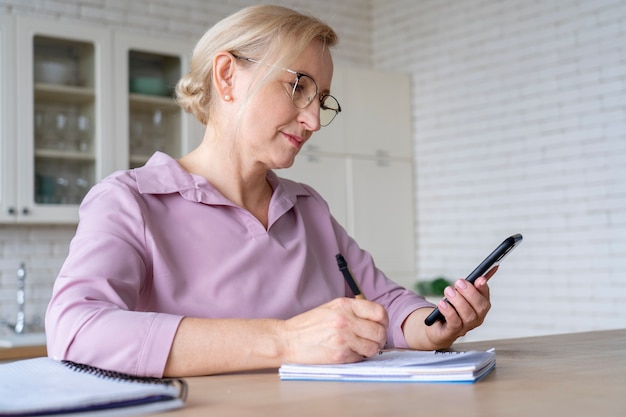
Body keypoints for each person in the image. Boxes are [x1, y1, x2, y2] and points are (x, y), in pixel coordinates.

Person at [45, 4, 491, 378]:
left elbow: (383, 303)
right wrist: (284, 340)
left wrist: (430, 327)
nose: (313, 120)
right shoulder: (130, 202)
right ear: (227, 77)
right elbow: (76, 328)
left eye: (322, 100)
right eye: (299, 88)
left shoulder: (306, 208)